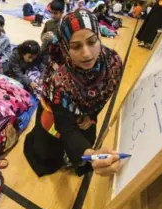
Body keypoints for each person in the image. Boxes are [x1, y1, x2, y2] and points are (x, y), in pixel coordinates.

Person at [24, 9, 123, 177]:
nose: (86, 54)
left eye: (92, 42)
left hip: (86, 114)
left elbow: (102, 98)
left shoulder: (112, 63)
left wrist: (90, 115)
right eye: (76, 46)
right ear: (65, 47)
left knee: (85, 136)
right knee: (48, 151)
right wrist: (91, 155)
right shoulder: (60, 79)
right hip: (54, 112)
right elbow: (65, 126)